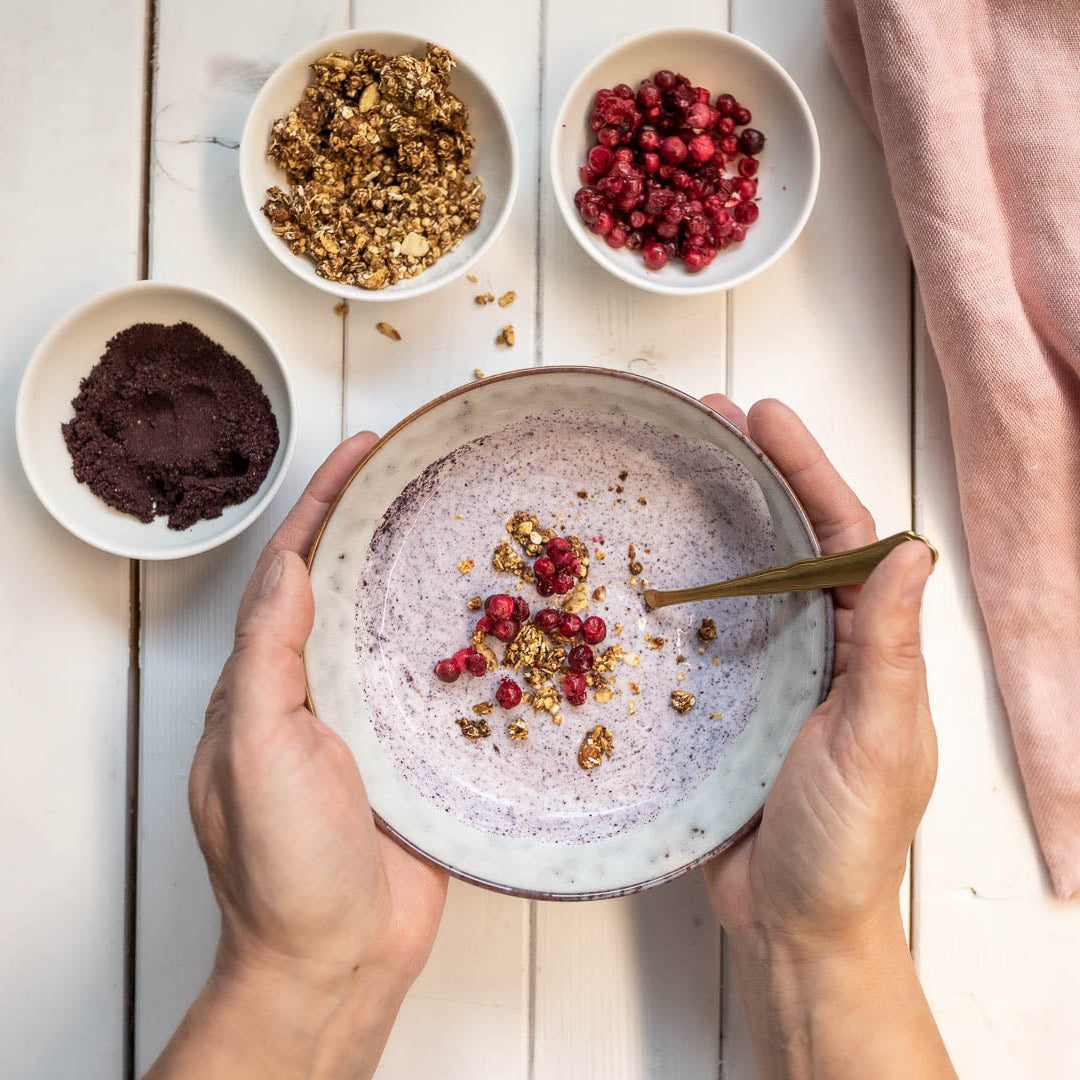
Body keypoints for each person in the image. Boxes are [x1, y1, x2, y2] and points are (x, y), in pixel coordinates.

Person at [146, 395, 957, 1079]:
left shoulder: (564, 640)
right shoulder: (511, 645)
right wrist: (827, 945)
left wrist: (302, 970)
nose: (519, 629)